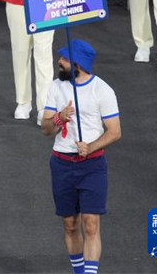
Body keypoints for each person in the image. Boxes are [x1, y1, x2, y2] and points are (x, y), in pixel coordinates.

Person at [41, 40, 121, 274]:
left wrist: (92, 147)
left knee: (91, 224)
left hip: (92, 166)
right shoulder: (56, 87)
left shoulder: (102, 90)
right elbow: (46, 129)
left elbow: (115, 131)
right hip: (61, 165)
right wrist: (59, 118)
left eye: (64, 59)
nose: (59, 62)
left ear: (78, 64)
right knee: (70, 224)